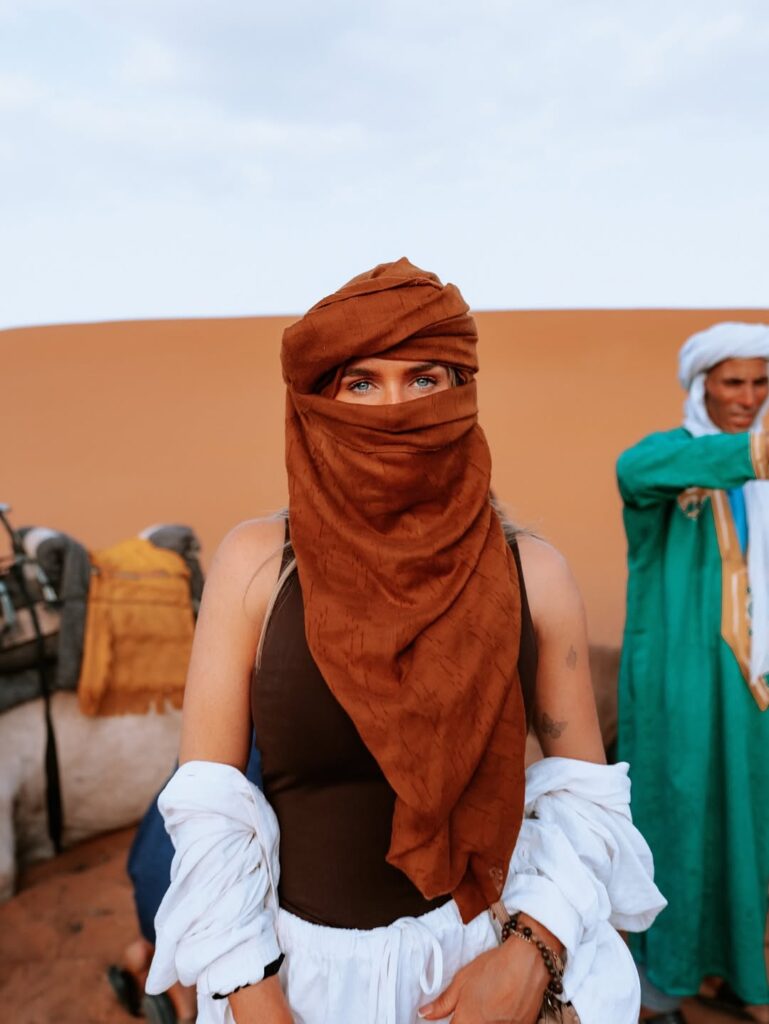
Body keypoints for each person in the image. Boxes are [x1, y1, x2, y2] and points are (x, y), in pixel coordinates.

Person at [146, 258, 664, 1024]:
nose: (394, 408)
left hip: (480, 960)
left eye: (423, 379)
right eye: (362, 383)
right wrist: (249, 989)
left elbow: (584, 794)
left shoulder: (533, 573)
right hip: (298, 980)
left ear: (461, 393)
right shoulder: (257, 566)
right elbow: (209, 799)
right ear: (318, 402)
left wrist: (530, 955)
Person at [616, 321, 769, 1024]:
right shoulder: (668, 458)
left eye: (760, 383)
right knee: (677, 820)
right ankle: (663, 985)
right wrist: (753, 454)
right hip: (678, 687)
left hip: (752, 687)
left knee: (745, 829)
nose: (747, 396)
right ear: (702, 384)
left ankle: (731, 973)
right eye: (732, 381)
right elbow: (632, 470)